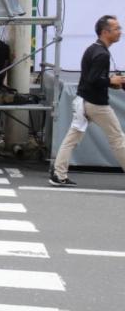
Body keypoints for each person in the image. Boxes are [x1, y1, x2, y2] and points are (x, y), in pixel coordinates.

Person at [50, 15, 125, 186]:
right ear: (105, 32)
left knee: (72, 139)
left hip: (84, 101)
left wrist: (110, 82)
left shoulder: (93, 49)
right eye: (117, 29)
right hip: (96, 105)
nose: (120, 32)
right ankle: (58, 173)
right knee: (118, 139)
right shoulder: (102, 54)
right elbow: (94, 79)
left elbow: (93, 78)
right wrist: (111, 81)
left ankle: (58, 174)